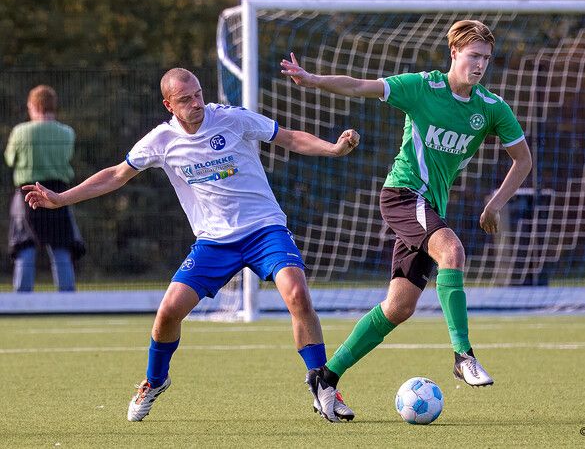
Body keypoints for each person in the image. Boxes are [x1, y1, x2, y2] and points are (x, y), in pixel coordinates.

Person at [23, 68, 360, 422]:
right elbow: (116, 175)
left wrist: (334, 149)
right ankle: (155, 381)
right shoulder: (160, 141)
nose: (196, 103)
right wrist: (62, 198)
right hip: (214, 243)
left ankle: (323, 386)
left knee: (297, 294)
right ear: (168, 105)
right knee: (168, 313)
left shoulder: (232, 119)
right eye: (185, 99)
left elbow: (289, 137)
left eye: (198, 94)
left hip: (264, 229)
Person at [281, 20, 532, 421]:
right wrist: (312, 80)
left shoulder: (490, 108)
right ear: (454, 54)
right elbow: (360, 86)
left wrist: (494, 204)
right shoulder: (422, 87)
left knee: (398, 307)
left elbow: (523, 161)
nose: (480, 64)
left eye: (486, 57)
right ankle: (463, 355)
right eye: (473, 56)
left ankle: (325, 379)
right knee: (452, 249)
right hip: (402, 194)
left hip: (429, 206)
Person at [5, 85, 85, 292]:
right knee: (61, 245)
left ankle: (21, 300)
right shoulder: (67, 132)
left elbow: (10, 159)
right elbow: (67, 158)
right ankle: (67, 299)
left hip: (26, 193)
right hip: (57, 193)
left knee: (25, 245)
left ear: (33, 105)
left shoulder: (20, 132)